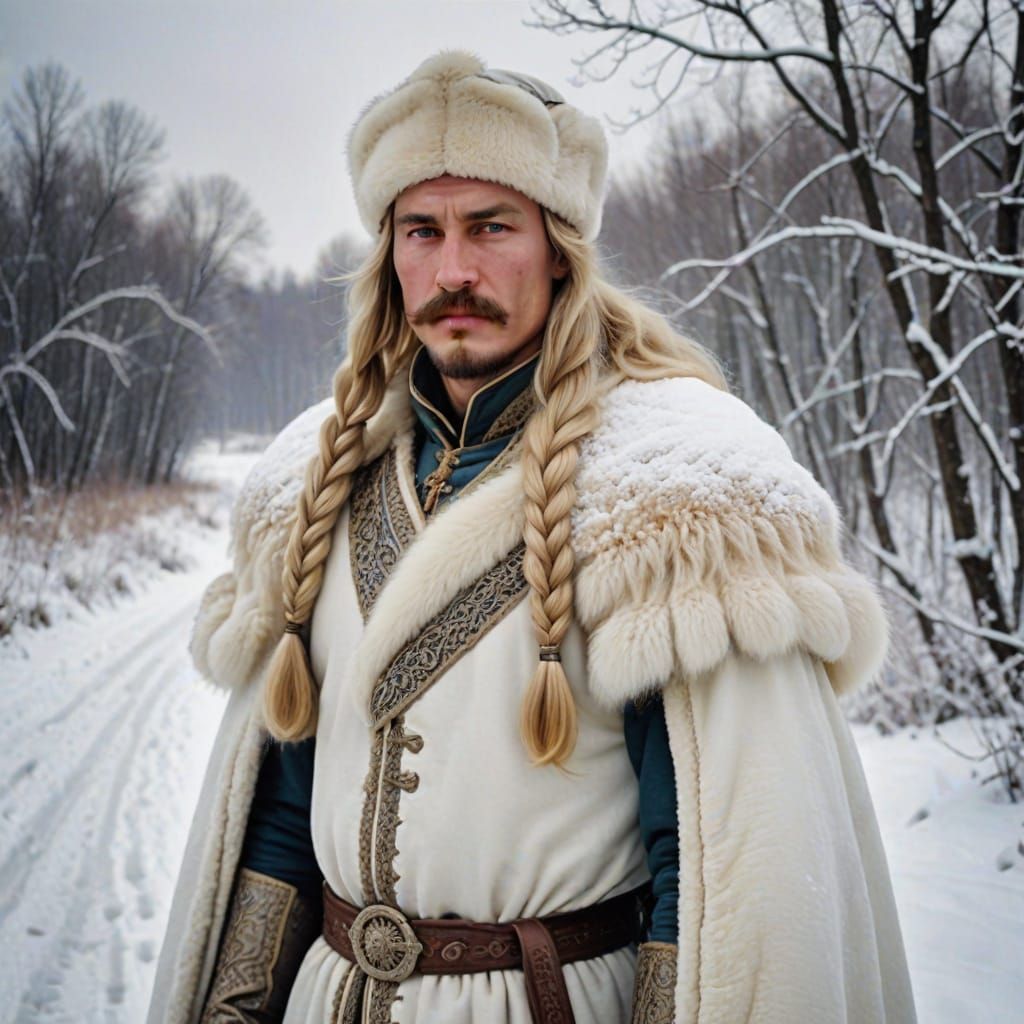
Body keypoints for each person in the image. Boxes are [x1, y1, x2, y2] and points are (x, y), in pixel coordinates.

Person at [148, 50, 917, 1024]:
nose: (454, 269)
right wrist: (233, 1008)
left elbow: (717, 861)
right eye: (421, 231)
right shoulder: (321, 481)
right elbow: (282, 815)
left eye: (490, 227)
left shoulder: (674, 489)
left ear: (557, 246)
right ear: (389, 254)